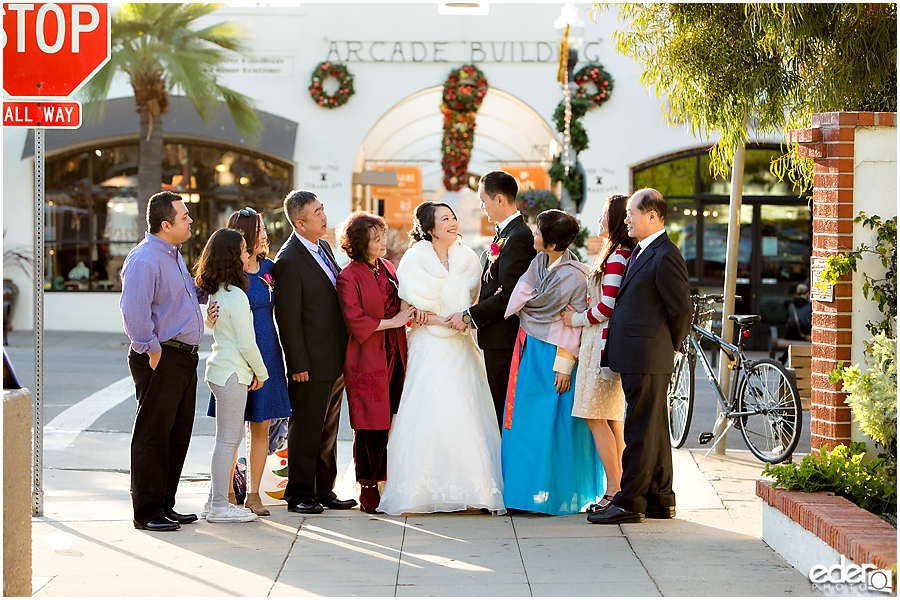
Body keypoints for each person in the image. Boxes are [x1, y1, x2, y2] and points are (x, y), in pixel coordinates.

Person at [377, 202, 505, 515]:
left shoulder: (469, 258)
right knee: (428, 410)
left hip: (461, 343)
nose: (452, 222)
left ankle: (473, 489)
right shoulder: (414, 258)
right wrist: (438, 320)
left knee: (467, 411)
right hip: (428, 344)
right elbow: (408, 306)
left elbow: (475, 301)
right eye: (444, 219)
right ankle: (420, 490)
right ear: (430, 229)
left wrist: (462, 319)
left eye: (453, 217)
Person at [588, 188, 693, 525]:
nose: (627, 218)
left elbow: (682, 310)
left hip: (649, 355)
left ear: (652, 216)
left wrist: (671, 347)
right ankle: (661, 499)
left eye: (632, 212)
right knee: (655, 429)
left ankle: (630, 501)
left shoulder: (665, 253)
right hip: (638, 354)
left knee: (639, 431)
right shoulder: (642, 250)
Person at [500, 209, 603, 515]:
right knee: (525, 424)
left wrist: (565, 365)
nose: (533, 235)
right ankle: (522, 495)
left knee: (552, 426)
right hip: (531, 349)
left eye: (538, 232)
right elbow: (523, 293)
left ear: (553, 243)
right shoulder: (539, 262)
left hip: (554, 357)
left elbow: (571, 325)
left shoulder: (573, 277)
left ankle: (556, 497)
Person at [120, 191, 205, 532]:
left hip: (183, 359)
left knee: (176, 435)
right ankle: (148, 511)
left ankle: (165, 505)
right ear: (166, 224)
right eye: (185, 217)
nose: (190, 221)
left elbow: (179, 298)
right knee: (152, 436)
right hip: (161, 357)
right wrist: (152, 350)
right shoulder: (145, 259)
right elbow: (134, 312)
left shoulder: (173, 256)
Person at [272, 190, 357, 514]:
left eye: (323, 209)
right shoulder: (289, 260)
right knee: (306, 428)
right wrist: (298, 364)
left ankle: (325, 489)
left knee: (328, 428)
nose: (324, 216)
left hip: (334, 357)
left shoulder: (321, 246)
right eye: (317, 212)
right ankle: (299, 494)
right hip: (310, 362)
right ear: (299, 222)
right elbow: (288, 319)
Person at [205, 208, 292, 516]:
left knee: (261, 424)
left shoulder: (270, 268)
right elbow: (216, 318)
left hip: (267, 351)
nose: (265, 234)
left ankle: (254, 494)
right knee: (231, 431)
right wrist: (209, 320)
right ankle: (226, 493)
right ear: (243, 237)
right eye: (259, 230)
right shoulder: (230, 274)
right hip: (240, 356)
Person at [335, 212, 416, 513]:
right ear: (359, 244)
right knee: (369, 425)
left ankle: (388, 480)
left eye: (382, 235)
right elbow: (355, 320)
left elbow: (401, 301)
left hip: (396, 352)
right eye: (376, 238)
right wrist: (392, 320)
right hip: (366, 359)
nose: (383, 241)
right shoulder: (348, 276)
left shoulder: (388, 267)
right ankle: (367, 484)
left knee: (393, 418)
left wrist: (409, 314)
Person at [562, 194, 635, 511]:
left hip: (600, 343)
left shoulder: (618, 256)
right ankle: (617, 487)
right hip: (598, 342)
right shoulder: (615, 254)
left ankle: (614, 489)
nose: (599, 221)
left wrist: (575, 318)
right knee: (609, 418)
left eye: (604, 215)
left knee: (596, 416)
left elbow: (607, 306)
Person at [446, 170, 536, 428]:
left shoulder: (518, 236)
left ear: (499, 200)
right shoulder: (505, 233)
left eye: (483, 200)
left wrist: (469, 315)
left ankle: (507, 464)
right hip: (495, 336)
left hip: (504, 337)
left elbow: (510, 295)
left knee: (504, 408)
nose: (481, 206)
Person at [195, 228, 267, 523]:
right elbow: (246, 342)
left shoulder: (219, 291)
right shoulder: (236, 295)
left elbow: (216, 327)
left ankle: (214, 501)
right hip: (233, 372)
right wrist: (261, 372)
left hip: (220, 369)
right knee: (228, 439)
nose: (247, 254)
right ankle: (220, 507)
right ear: (231, 255)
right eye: (242, 249)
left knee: (228, 437)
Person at [780, 283, 812, 363]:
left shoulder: (791, 305)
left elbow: (788, 320)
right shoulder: (809, 305)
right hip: (804, 335)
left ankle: (783, 360)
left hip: (791, 335)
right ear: (806, 293)